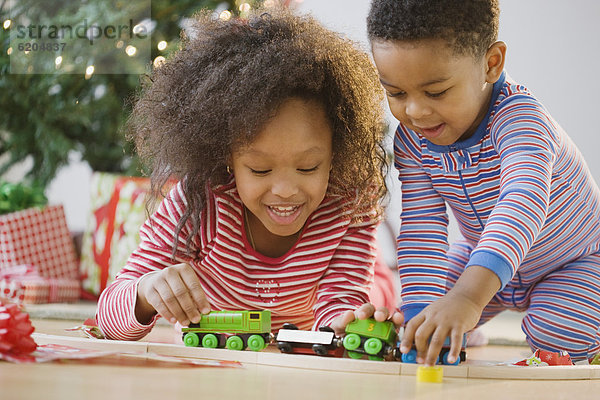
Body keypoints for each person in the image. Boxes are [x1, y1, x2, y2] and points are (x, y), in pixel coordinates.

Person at [96, 7, 395, 341]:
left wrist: (346, 323)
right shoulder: (197, 204)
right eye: (260, 169)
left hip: (324, 316)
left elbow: (342, 300)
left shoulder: (350, 201)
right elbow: (108, 316)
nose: (284, 190)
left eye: (308, 167)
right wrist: (145, 293)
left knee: (380, 295)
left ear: (336, 153)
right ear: (226, 157)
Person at [367, 0, 600, 365]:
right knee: (418, 313)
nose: (414, 111)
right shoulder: (413, 139)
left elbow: (521, 203)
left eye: (436, 92)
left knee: (557, 334)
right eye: (396, 93)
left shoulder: (522, 121)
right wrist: (421, 319)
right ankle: (460, 328)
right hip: (481, 256)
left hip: (575, 261)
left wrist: (469, 298)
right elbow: (422, 227)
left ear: (491, 64)